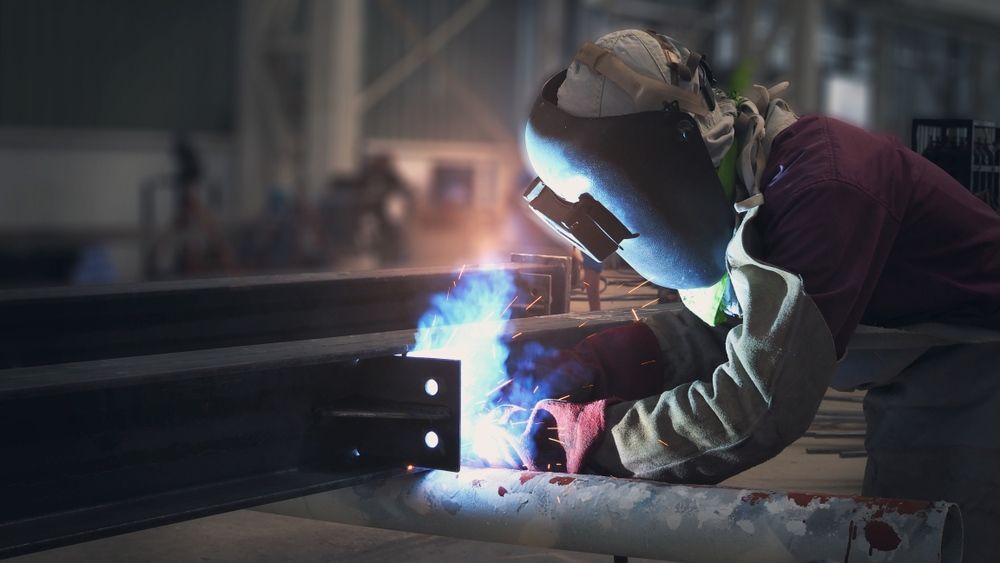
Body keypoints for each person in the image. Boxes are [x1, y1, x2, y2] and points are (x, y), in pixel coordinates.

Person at [511, 29, 1000, 559]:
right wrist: (599, 366)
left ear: (661, 166)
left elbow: (755, 405)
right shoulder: (744, 194)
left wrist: (588, 439)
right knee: (900, 538)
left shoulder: (823, 193)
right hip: (916, 369)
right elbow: (724, 327)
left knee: (940, 544)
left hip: (978, 363)